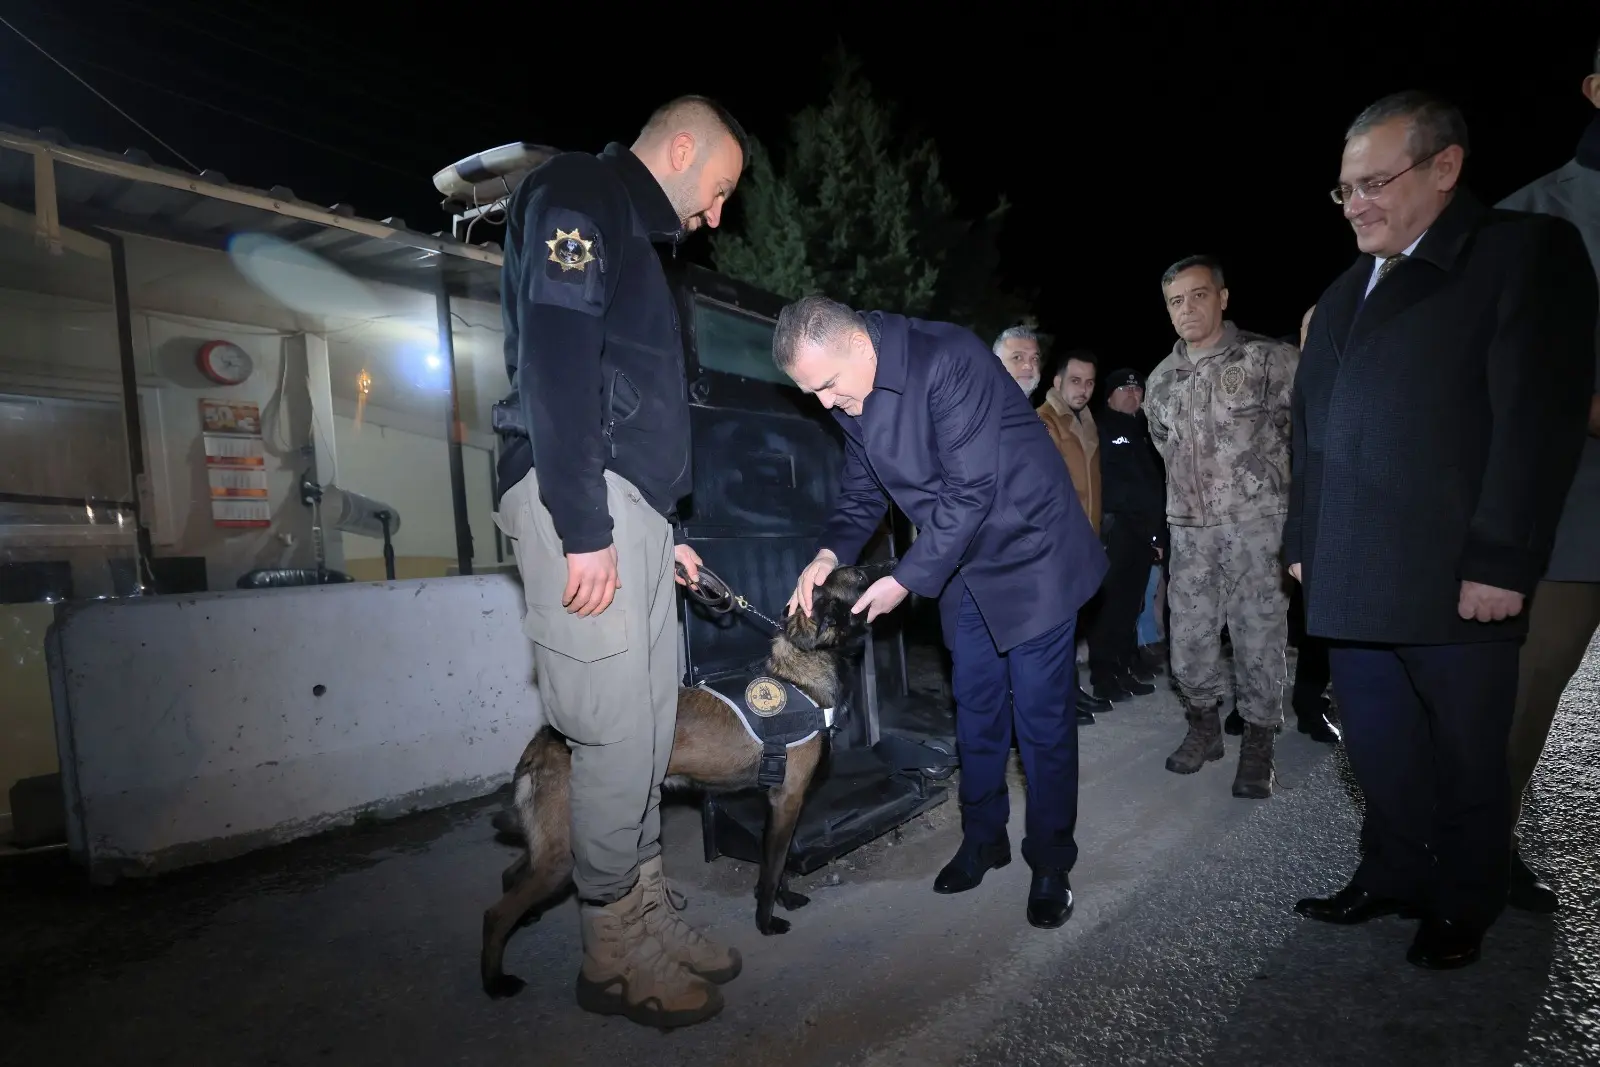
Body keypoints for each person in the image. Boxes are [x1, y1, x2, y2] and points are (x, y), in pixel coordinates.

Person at [1287, 91, 1595, 970]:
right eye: (1344, 191)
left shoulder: (1520, 254)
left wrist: (1503, 558)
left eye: (1373, 183)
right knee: (1380, 754)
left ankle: (1464, 898)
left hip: (1457, 576)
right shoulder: (1345, 291)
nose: (1356, 205)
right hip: (1350, 576)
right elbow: (1312, 434)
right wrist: (1302, 543)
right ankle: (1391, 871)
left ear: (1445, 167)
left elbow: (1536, 419)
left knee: (1466, 759)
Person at [491, 96, 747, 1028]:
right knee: (605, 727)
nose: (716, 216)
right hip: (582, 501)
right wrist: (586, 524)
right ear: (681, 148)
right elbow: (558, 360)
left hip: (626, 506)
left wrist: (663, 527)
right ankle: (611, 953)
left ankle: (643, 912)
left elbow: (626, 387)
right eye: (717, 192)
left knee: (642, 730)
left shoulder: (636, 237)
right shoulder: (580, 193)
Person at [774, 294, 1108, 929]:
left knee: (1040, 721)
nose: (823, 403)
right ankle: (984, 838)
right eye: (808, 391)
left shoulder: (946, 358)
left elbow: (971, 488)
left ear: (857, 345)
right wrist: (826, 554)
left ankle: (1050, 863)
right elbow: (863, 486)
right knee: (977, 709)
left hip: (1029, 552)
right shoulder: (852, 393)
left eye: (825, 385)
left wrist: (906, 579)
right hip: (959, 564)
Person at [1493, 42, 1600, 916]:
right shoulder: (1529, 218)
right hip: (1574, 507)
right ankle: (1483, 844)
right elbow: (1494, 374)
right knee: (1526, 691)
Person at [1144, 256, 1297, 799]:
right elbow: (1164, 449)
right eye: (1175, 301)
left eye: (1198, 295)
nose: (1188, 309)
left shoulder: (1269, 360)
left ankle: (1259, 743)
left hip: (1258, 529)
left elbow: (1303, 437)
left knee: (1258, 638)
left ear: (1223, 297)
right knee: (1188, 639)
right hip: (1190, 533)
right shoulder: (1161, 381)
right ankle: (1203, 727)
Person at [1034, 347, 1127, 717]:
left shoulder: (1085, 420)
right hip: (1059, 540)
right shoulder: (1046, 421)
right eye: (1075, 381)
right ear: (1056, 382)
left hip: (1086, 537)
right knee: (1056, 627)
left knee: (1073, 623)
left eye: (1089, 383)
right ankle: (1058, 700)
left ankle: (1071, 690)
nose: (1083, 389)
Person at [1090, 368, 1167, 700]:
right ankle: (1104, 676)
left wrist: (1157, 535)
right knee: (1111, 607)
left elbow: (1154, 486)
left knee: (1132, 605)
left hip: (1143, 532)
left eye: (1138, 389)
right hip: (1116, 530)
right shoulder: (1100, 428)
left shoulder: (1146, 433)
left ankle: (1123, 667)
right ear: (1109, 396)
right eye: (1124, 388)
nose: (1133, 393)